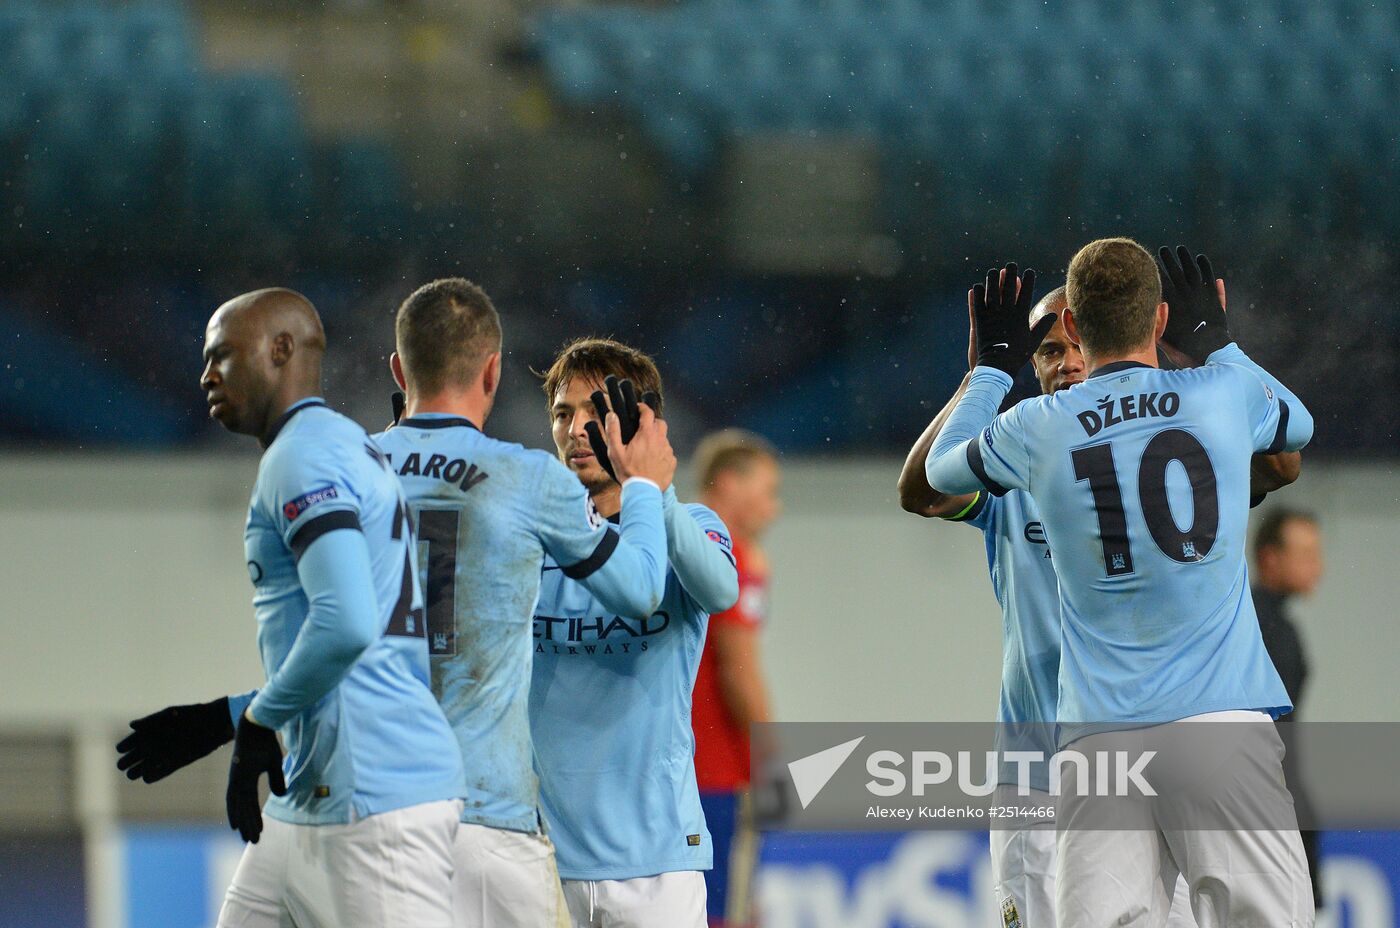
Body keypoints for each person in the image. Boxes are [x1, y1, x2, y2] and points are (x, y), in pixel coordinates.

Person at [924, 241, 1315, 926]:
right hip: (1217, 719)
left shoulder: (1038, 426)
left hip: (1099, 738)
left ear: (1073, 327)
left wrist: (988, 370)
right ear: (1161, 320)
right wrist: (1219, 344)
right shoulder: (1217, 395)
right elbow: (1295, 425)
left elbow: (939, 473)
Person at [115, 288, 466, 927]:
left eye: (221, 355)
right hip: (315, 793)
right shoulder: (341, 444)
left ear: (281, 350)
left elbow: (348, 623)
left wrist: (255, 721)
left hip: (374, 800)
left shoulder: (302, 457)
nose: (205, 375)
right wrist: (230, 716)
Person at [373, 278, 676, 928]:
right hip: (485, 816)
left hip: (365, 814)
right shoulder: (528, 480)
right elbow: (643, 587)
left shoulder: (342, 472)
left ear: (399, 369)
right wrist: (645, 486)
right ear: (493, 371)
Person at [530, 338, 740, 928]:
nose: (576, 430)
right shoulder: (531, 535)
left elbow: (722, 591)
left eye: (596, 412)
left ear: (641, 424)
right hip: (539, 860)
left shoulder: (691, 525)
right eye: (563, 413)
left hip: (659, 867)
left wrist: (655, 488)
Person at [690, 429, 782, 928]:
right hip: (719, 771)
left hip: (664, 770)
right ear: (728, 484)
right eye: (767, 492)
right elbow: (738, 670)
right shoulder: (737, 558)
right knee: (723, 911)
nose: (774, 508)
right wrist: (770, 757)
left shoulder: (668, 544)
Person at [1252, 508, 1326, 913]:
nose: (1319, 566)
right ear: (1270, 558)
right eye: (1306, 553)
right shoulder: (1270, 629)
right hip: (1274, 810)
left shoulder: (1268, 621)